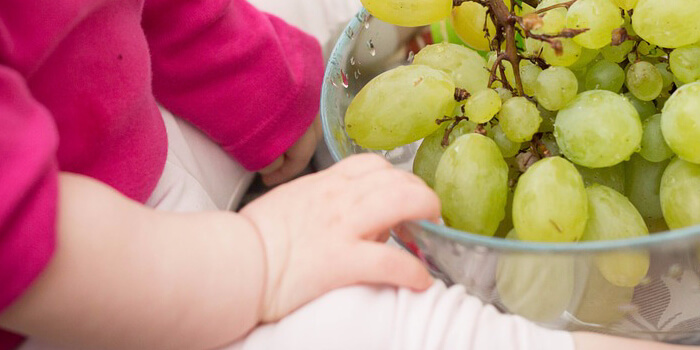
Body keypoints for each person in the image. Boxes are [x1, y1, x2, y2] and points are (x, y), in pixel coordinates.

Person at [0, 1, 697, 349]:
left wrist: (261, 87)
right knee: (430, 330)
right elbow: (18, 235)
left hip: (107, 114)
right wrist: (258, 262)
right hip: (82, 281)